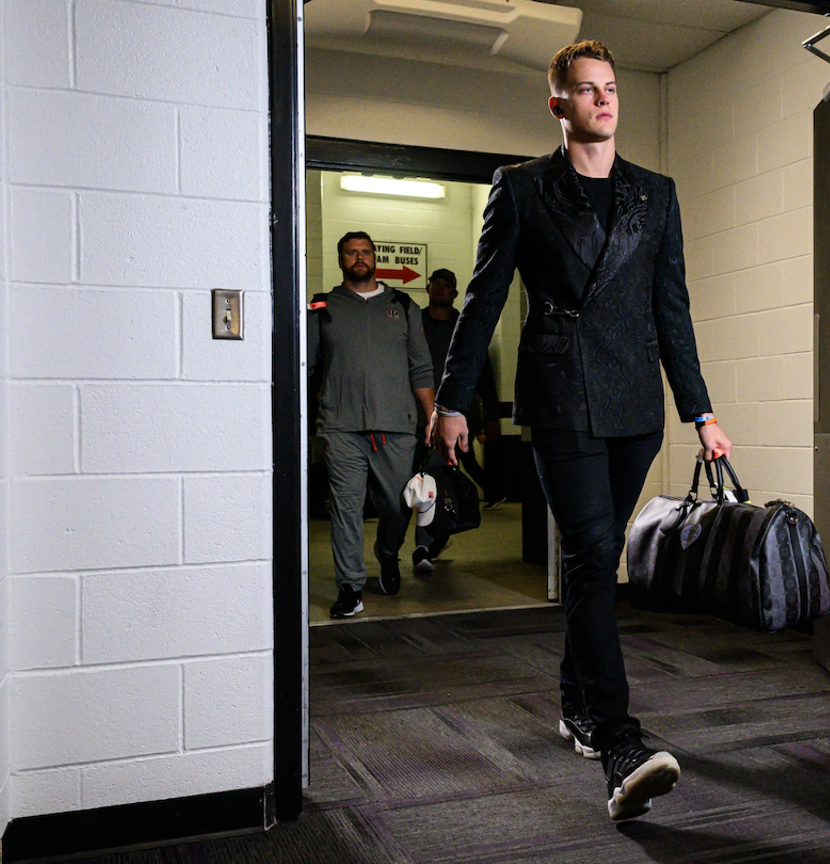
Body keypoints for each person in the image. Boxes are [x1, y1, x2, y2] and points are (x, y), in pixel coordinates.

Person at [430, 41, 732, 821]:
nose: (603, 100)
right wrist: (455, 400)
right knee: (596, 555)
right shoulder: (523, 189)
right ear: (558, 103)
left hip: (635, 408)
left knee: (595, 562)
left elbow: (673, 311)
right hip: (562, 397)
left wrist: (701, 411)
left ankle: (575, 703)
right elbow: (483, 297)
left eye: (610, 89)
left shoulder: (655, 194)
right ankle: (621, 740)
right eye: (585, 90)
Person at [309, 231, 435, 618]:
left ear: (374, 258)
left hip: (396, 427)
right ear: (341, 258)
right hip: (341, 426)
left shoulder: (403, 304)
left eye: (365, 252)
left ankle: (387, 554)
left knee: (398, 507)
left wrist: (432, 417)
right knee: (345, 509)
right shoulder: (324, 306)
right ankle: (350, 587)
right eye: (351, 252)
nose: (359, 258)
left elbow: (422, 367)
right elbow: (309, 367)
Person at [413, 268, 507, 572]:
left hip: (452, 421)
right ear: (428, 288)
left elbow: (484, 376)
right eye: (436, 284)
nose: (441, 289)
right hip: (411, 418)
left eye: (447, 286)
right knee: (414, 486)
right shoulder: (416, 325)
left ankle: (423, 548)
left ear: (455, 294)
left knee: (433, 482)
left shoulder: (463, 327)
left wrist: (491, 417)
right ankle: (431, 539)